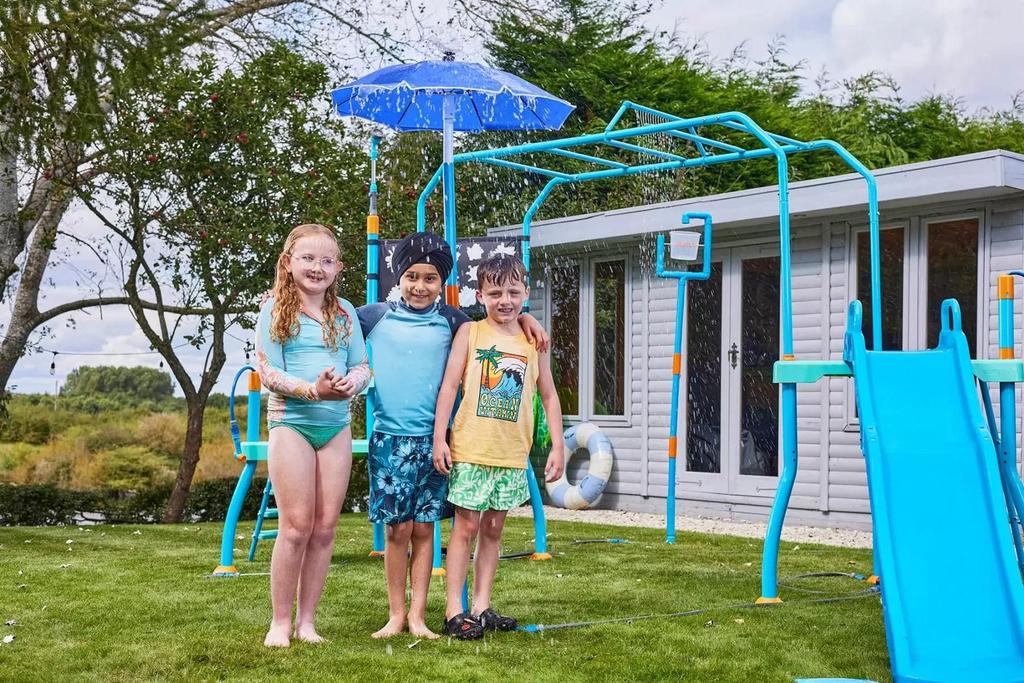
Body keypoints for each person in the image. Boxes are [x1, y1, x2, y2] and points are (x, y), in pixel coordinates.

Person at [358, 232, 548, 639]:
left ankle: (420, 615)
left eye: (430, 278)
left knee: (426, 528)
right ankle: (396, 614)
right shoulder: (374, 316)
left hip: (436, 440)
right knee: (397, 530)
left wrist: (529, 318)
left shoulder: (454, 321)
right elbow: (334, 318)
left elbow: (504, 320)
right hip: (391, 439)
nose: (420, 286)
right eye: (411, 276)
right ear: (399, 277)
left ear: (443, 282)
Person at [432, 253, 564, 640]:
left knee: (492, 530)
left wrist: (557, 446)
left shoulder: (533, 340)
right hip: (471, 448)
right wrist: (440, 438)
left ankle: (481, 606)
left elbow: (550, 397)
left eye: (512, 291)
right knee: (466, 527)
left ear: (526, 292)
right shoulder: (470, 334)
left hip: (511, 454)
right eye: (495, 293)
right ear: (480, 295)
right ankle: (454, 610)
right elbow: (449, 387)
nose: (504, 300)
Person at [254, 223, 371, 647]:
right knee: (296, 527)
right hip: (292, 424)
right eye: (307, 258)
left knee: (324, 529)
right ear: (289, 263)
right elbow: (267, 371)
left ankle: (307, 622)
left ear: (338, 267)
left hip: (335, 426)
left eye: (326, 260)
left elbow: (363, 366)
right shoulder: (274, 310)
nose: (316, 267)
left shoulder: (346, 315)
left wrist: (347, 385)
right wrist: (311, 390)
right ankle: (280, 623)